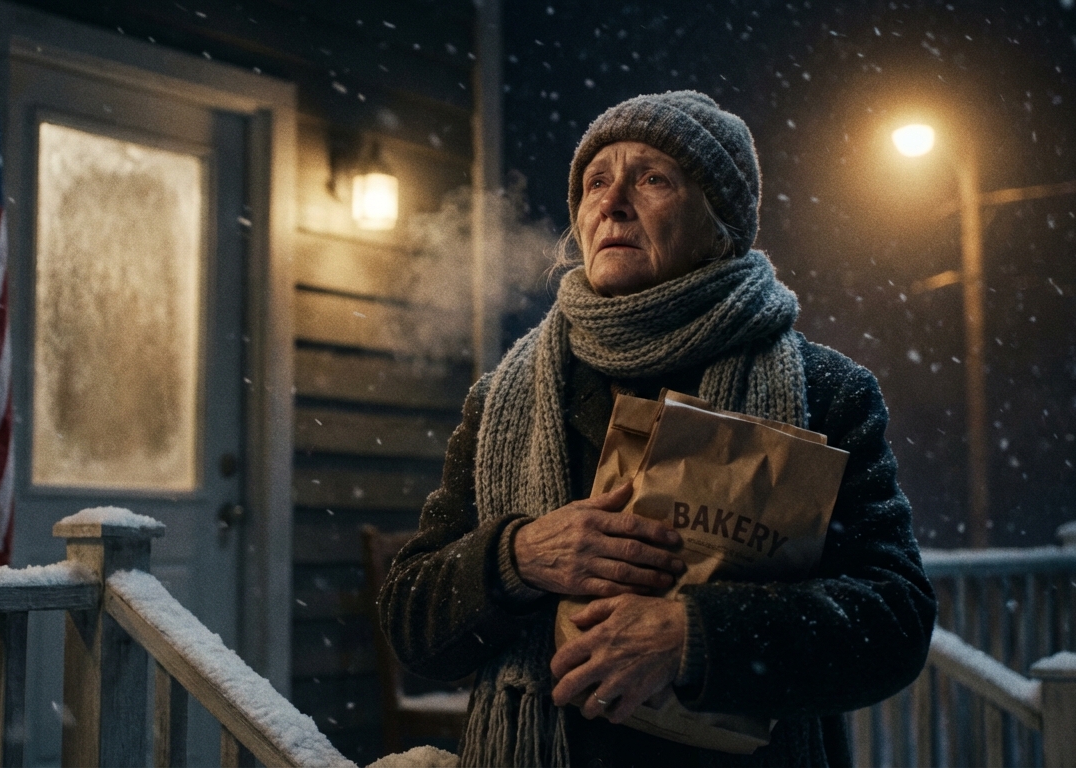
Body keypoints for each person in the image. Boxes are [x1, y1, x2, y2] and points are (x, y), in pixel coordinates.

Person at [378, 91, 936, 768]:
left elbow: (895, 620)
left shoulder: (826, 391)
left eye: (651, 178)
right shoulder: (504, 400)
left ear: (722, 222)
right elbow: (413, 623)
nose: (611, 204)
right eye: (595, 183)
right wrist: (516, 557)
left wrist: (694, 636)